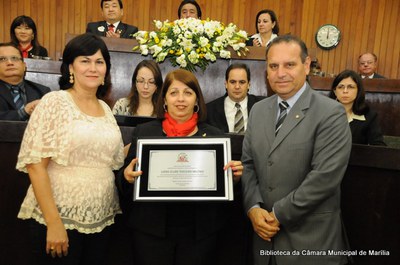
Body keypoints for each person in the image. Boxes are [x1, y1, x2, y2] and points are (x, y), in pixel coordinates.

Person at [241, 35, 352, 265]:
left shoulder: (330, 113)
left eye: (289, 64)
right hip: (264, 243)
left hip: (310, 244)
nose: (280, 73)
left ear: (307, 64)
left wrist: (277, 215)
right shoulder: (258, 111)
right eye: (273, 66)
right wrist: (253, 208)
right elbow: (249, 165)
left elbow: (324, 179)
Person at [16, 33, 124, 265]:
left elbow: (110, 159)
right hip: (59, 220)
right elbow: (36, 165)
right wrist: (54, 223)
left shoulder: (106, 109)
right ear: (70, 67)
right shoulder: (54, 102)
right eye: (85, 61)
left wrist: (148, 147)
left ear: (107, 69)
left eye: (99, 61)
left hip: (101, 220)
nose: (93, 68)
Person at [116, 69, 243, 265]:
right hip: (152, 233)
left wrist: (233, 179)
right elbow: (123, 183)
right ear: (164, 99)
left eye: (188, 93)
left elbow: (227, 193)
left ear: (197, 101)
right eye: (174, 93)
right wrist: (126, 176)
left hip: (200, 234)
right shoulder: (145, 133)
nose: (180, 99)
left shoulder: (216, 137)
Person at [329, 69, 386, 146]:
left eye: (350, 87)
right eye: (340, 87)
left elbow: (378, 146)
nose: (345, 91)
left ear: (358, 90)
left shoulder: (369, 116)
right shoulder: (324, 113)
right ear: (335, 91)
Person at [206, 63, 264, 133]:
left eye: (242, 82)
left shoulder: (262, 106)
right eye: (233, 82)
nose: (237, 87)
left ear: (248, 85)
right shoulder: (209, 110)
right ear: (226, 84)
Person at [0, 42, 50, 121]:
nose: (10, 63)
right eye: (2, 59)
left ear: (24, 66)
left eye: (14, 58)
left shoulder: (43, 91)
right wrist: (24, 112)